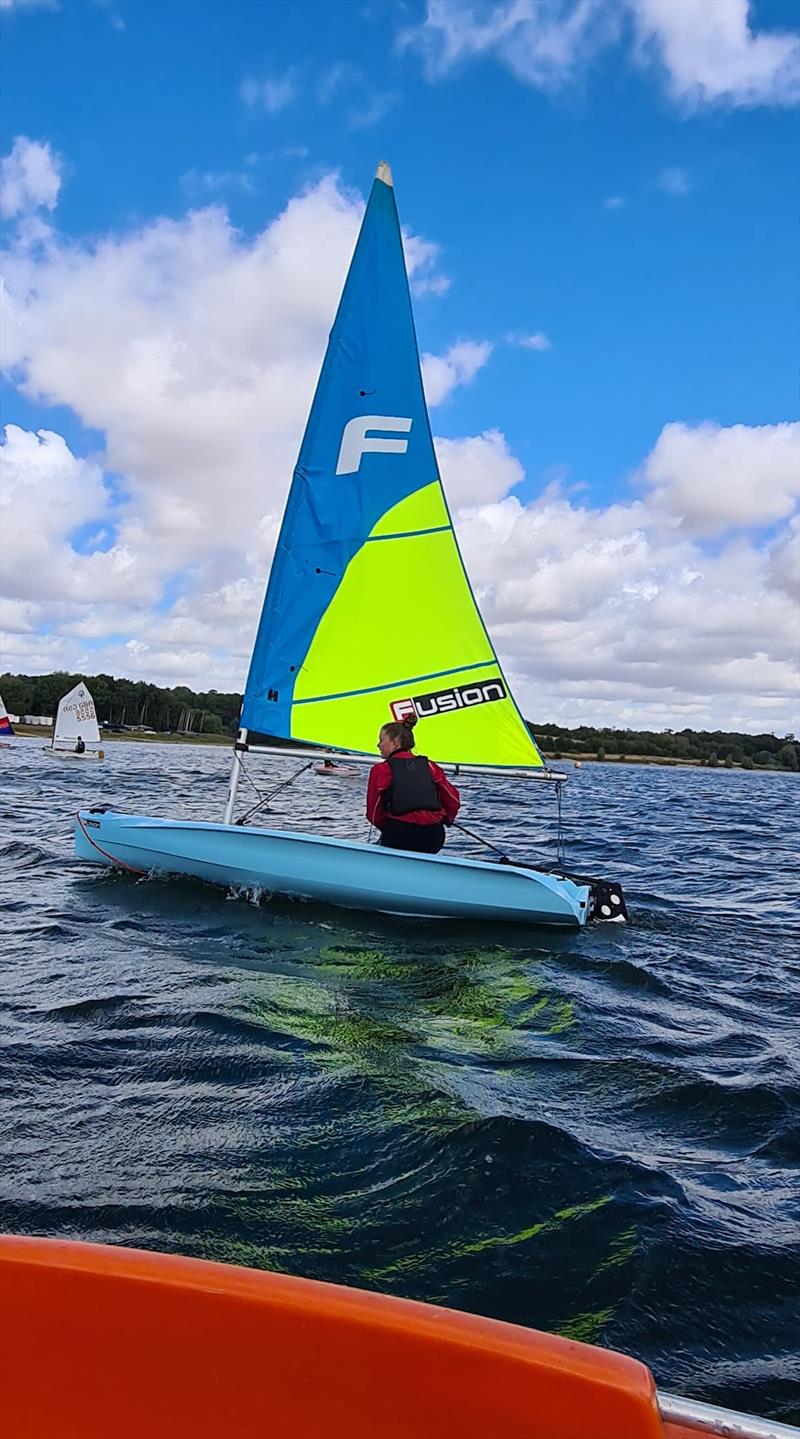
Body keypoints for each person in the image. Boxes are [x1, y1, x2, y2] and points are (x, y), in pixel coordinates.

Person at [366, 716, 460, 854]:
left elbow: (373, 815)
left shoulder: (380, 770)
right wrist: (446, 818)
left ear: (394, 743)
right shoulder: (430, 766)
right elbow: (453, 800)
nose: (378, 745)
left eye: (381, 740)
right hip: (433, 836)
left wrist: (390, 829)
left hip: (399, 835)